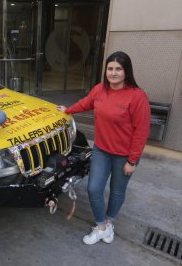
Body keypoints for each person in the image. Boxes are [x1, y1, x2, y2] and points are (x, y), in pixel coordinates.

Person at [58, 51, 150, 245]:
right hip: (101, 150)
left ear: (127, 71)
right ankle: (101, 226)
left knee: (117, 191)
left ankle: (109, 222)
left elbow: (141, 131)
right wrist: (68, 110)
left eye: (118, 69)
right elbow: (86, 103)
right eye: (110, 68)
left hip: (124, 155)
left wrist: (132, 161)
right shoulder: (100, 90)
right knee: (93, 188)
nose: (113, 73)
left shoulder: (137, 96)